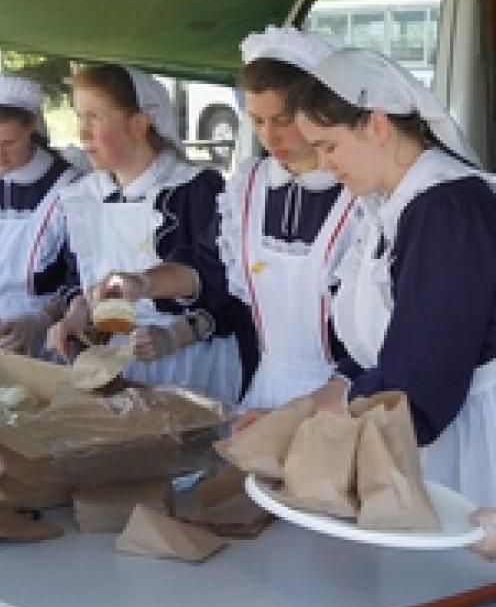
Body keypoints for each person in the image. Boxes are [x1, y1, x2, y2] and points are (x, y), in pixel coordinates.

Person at [87, 27, 360, 422]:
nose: (269, 135)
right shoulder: (249, 186)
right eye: (256, 120)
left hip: (341, 396)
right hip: (264, 384)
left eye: (283, 120)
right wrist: (143, 283)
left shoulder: (354, 193)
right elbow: (207, 268)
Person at [286, 46, 496, 506]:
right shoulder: (389, 206)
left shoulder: (445, 209)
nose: (323, 164)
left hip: (471, 438)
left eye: (329, 145)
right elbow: (384, 338)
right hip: (425, 426)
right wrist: (332, 391)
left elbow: (427, 366)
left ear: (377, 124)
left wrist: (336, 411)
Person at [46, 64, 243, 403]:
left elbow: (228, 287)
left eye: (95, 118)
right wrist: (77, 313)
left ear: (138, 124)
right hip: (113, 365)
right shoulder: (84, 196)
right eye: (79, 117)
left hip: (189, 365)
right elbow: (79, 278)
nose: (83, 134)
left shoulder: (193, 191)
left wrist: (179, 333)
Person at [0, 72, 79, 357]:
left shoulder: (69, 189)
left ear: (32, 124)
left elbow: (84, 282)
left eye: (8, 142)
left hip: (47, 340)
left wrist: (38, 321)